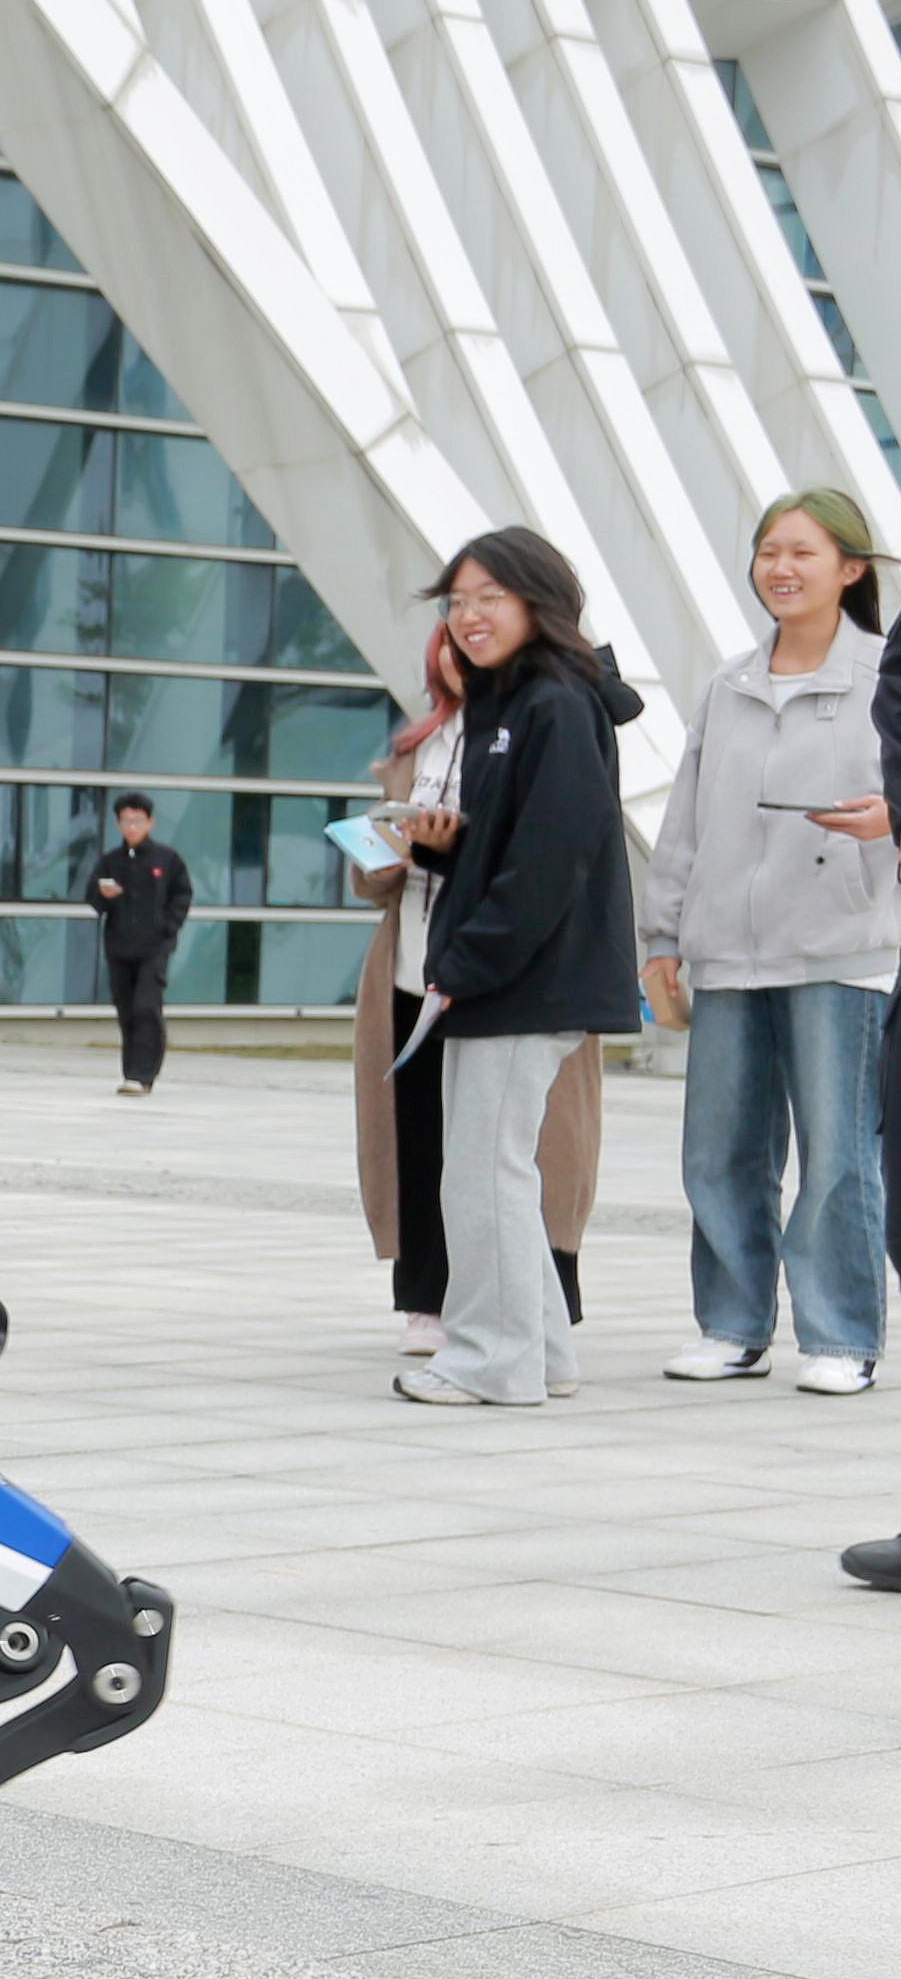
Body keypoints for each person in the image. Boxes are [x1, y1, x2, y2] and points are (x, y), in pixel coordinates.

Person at [640, 490, 895, 1395]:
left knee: (836, 1155)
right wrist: (661, 934)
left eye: (802, 552)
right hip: (725, 955)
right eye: (767, 552)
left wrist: (892, 816)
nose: (779, 569)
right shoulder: (730, 684)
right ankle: (730, 1325)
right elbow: (683, 823)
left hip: (840, 946)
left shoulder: (883, 676)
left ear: (851, 569)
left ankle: (840, 1336)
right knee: (719, 1154)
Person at [391, 527, 644, 1408]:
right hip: (510, 974)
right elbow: (513, 845)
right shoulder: (509, 702)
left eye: (488, 598)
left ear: (539, 601)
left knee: (480, 1171)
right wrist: (442, 858)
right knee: (496, 1168)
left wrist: (465, 959)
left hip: (524, 979)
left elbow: (551, 857)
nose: (468, 616)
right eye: (457, 602)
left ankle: (489, 1361)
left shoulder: (554, 703)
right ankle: (541, 1353)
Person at [350, 627, 598, 1365]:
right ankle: (428, 1297)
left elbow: (544, 855)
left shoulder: (543, 723)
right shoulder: (415, 746)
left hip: (504, 972)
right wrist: (390, 855)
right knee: (420, 1137)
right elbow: (370, 875)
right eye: (449, 637)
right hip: (412, 965)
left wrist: (449, 848)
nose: (461, 652)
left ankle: (535, 1319)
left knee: (513, 1149)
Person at [82, 794, 193, 1094]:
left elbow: (182, 895)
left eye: (138, 821)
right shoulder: (110, 861)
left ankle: (144, 1074)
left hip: (154, 947)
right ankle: (130, 1072)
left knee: (146, 1005)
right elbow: (93, 899)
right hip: (119, 946)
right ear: (118, 824)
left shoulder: (167, 860)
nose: (132, 827)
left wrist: (167, 928)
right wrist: (103, 895)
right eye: (126, 821)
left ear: (150, 822)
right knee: (126, 1008)